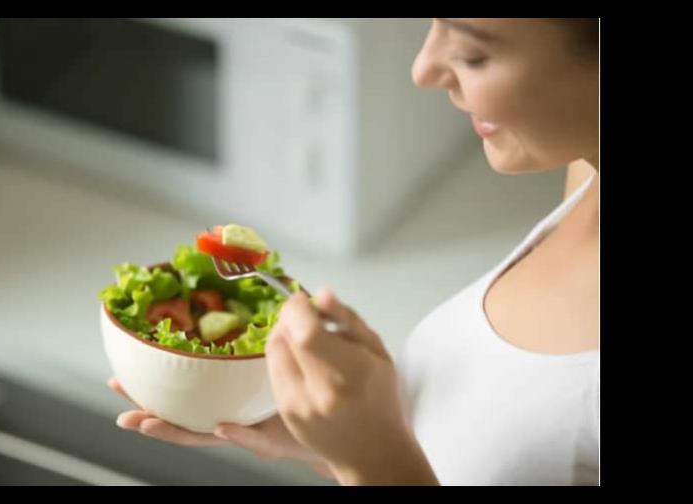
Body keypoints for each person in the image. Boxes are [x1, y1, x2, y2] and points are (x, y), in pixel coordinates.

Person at [108, 18, 599, 485]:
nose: (423, 69)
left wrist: (373, 456)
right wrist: (325, 433)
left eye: (473, 54)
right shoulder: (587, 171)